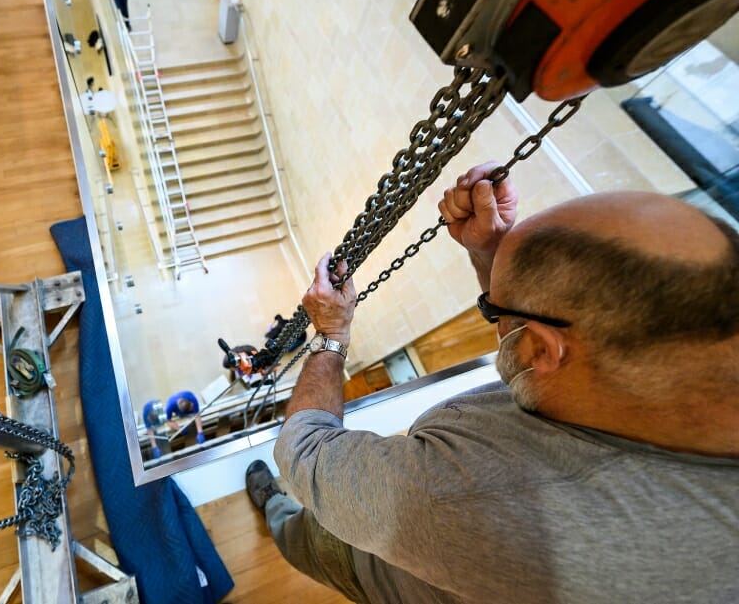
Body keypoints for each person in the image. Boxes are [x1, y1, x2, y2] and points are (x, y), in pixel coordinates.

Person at [244, 161, 739, 603]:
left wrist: (331, 335)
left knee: (304, 532)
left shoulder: (469, 498)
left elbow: (304, 449)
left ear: (543, 349)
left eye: (496, 309)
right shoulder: (679, 375)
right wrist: (496, 256)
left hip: (374, 564)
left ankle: (275, 511)